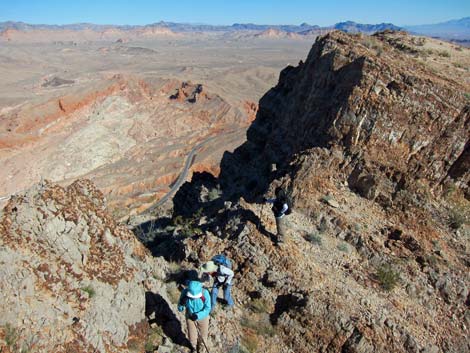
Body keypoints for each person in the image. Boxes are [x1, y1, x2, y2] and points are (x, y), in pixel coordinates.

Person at [177, 280, 211, 353]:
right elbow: (180, 309)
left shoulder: (205, 293)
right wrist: (181, 303)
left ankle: (202, 350)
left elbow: (208, 309)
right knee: (192, 337)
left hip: (203, 318)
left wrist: (198, 315)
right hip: (190, 317)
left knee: (203, 336)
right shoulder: (185, 293)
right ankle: (194, 349)